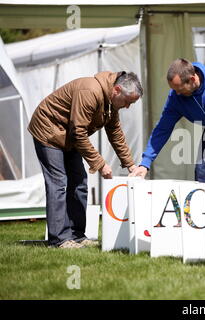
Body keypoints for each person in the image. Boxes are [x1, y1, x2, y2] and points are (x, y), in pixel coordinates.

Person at [28, 71, 143, 249]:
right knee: (58, 183)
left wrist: (130, 165)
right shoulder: (90, 91)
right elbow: (78, 132)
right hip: (48, 131)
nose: (128, 106)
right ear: (117, 90)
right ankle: (59, 240)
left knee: (80, 182)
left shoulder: (111, 102)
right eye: (128, 101)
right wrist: (100, 163)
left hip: (69, 136)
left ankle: (77, 235)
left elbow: (115, 133)